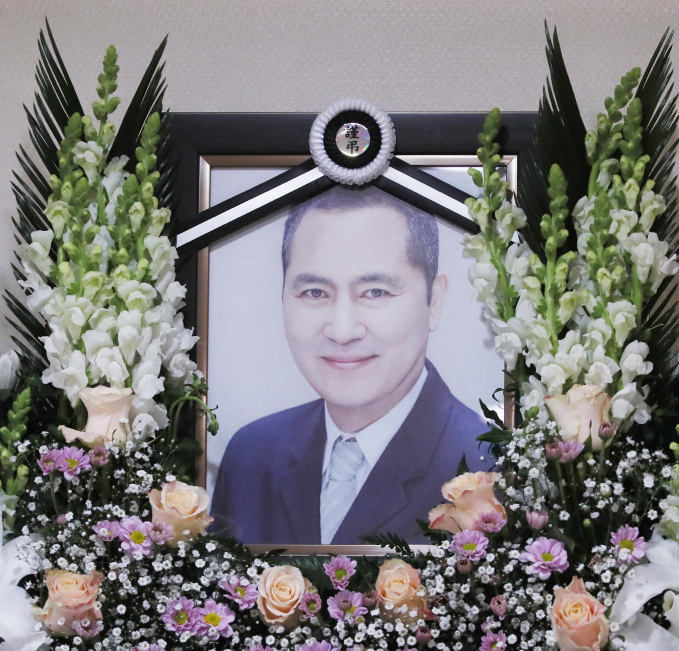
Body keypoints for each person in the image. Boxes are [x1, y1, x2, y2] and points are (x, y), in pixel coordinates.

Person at [211, 186, 494, 546]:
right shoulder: (251, 454)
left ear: (434, 301)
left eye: (375, 292)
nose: (342, 331)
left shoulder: (487, 465)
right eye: (315, 292)